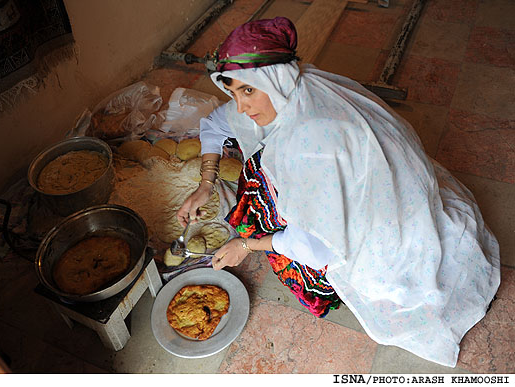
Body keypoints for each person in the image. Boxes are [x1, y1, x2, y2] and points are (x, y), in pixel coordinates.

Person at [176, 17, 500, 367]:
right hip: (386, 183)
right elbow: (215, 123)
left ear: (272, 79)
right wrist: (206, 184)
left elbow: (319, 247)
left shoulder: (308, 144)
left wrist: (245, 245)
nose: (240, 106)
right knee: (258, 174)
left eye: (248, 91)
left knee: (304, 263)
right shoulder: (299, 84)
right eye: (234, 91)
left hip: (383, 226)